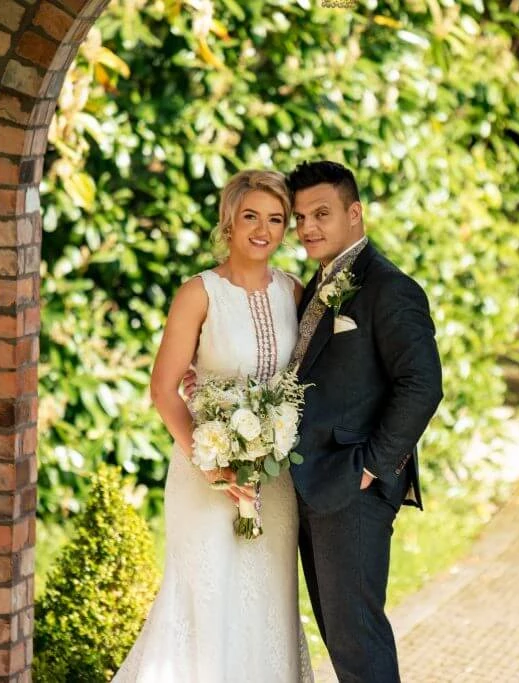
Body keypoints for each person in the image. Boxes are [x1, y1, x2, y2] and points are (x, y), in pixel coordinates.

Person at [114, 170, 312, 682]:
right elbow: (164, 389)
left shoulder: (294, 292)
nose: (263, 230)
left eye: (276, 219)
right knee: (204, 598)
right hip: (205, 475)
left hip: (274, 481)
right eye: (251, 216)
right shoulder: (198, 293)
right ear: (229, 221)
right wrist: (211, 465)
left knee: (268, 601)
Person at [285, 160, 443, 682]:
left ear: (355, 213)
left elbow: (422, 384)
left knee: (358, 641)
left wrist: (370, 466)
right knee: (341, 636)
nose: (308, 227)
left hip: (352, 487)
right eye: (301, 216)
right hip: (313, 484)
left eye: (322, 213)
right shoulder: (320, 282)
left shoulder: (389, 288)